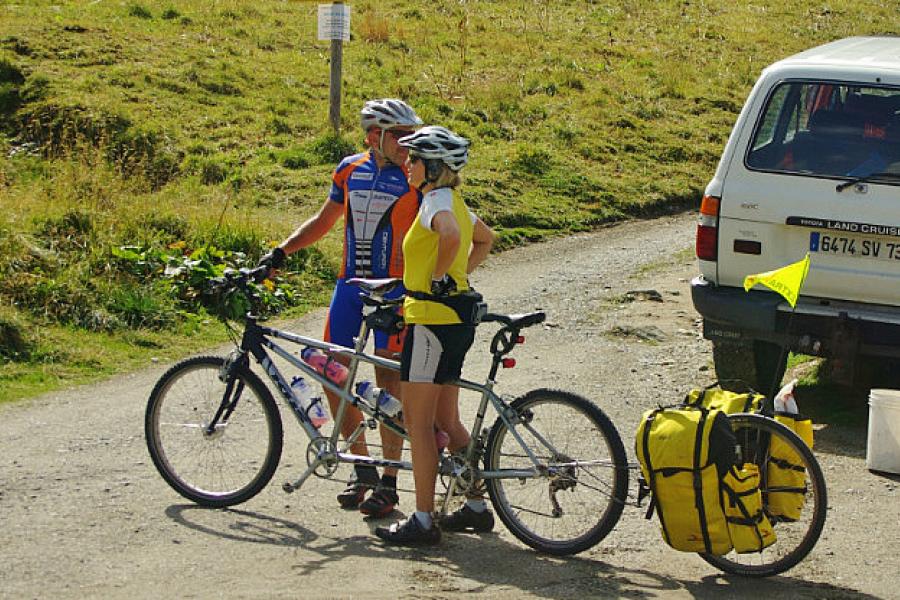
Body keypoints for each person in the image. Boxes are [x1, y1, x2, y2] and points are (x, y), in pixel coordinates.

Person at [258, 99, 422, 518]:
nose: (407, 143)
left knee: (389, 380)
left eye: (409, 135)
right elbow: (325, 219)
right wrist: (281, 249)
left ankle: (389, 480)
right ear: (374, 136)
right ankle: (362, 468)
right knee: (334, 375)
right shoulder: (348, 169)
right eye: (398, 136)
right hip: (349, 288)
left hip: (395, 292)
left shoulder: (417, 176)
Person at [374, 126, 495, 545]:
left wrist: (438, 278)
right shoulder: (454, 201)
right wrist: (454, 278)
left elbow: (453, 237)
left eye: (415, 160)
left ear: (434, 167)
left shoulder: (434, 203)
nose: (407, 164)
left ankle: (423, 520)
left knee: (418, 424)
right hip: (455, 320)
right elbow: (485, 239)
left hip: (430, 322)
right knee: (448, 419)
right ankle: (476, 506)